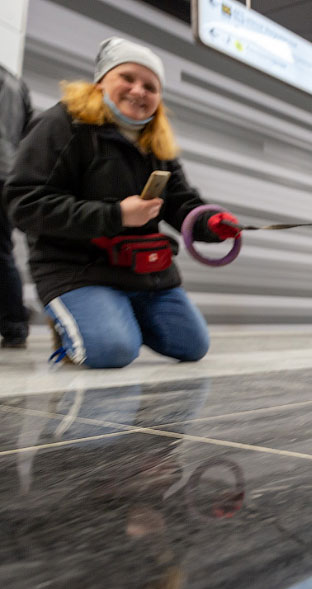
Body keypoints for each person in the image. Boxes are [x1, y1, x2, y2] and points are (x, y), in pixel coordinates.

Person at [3, 38, 241, 368]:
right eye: (127, 78)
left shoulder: (155, 142)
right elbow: (24, 203)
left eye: (150, 86)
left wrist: (211, 223)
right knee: (112, 351)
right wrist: (115, 215)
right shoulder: (61, 125)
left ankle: (110, 317)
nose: (138, 91)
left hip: (146, 272)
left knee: (192, 346)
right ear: (101, 80)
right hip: (77, 269)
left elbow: (181, 202)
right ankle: (82, 321)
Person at [0, 63, 33, 349]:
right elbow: (28, 134)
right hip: (8, 175)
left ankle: (14, 323)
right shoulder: (16, 83)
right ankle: (15, 324)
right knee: (3, 251)